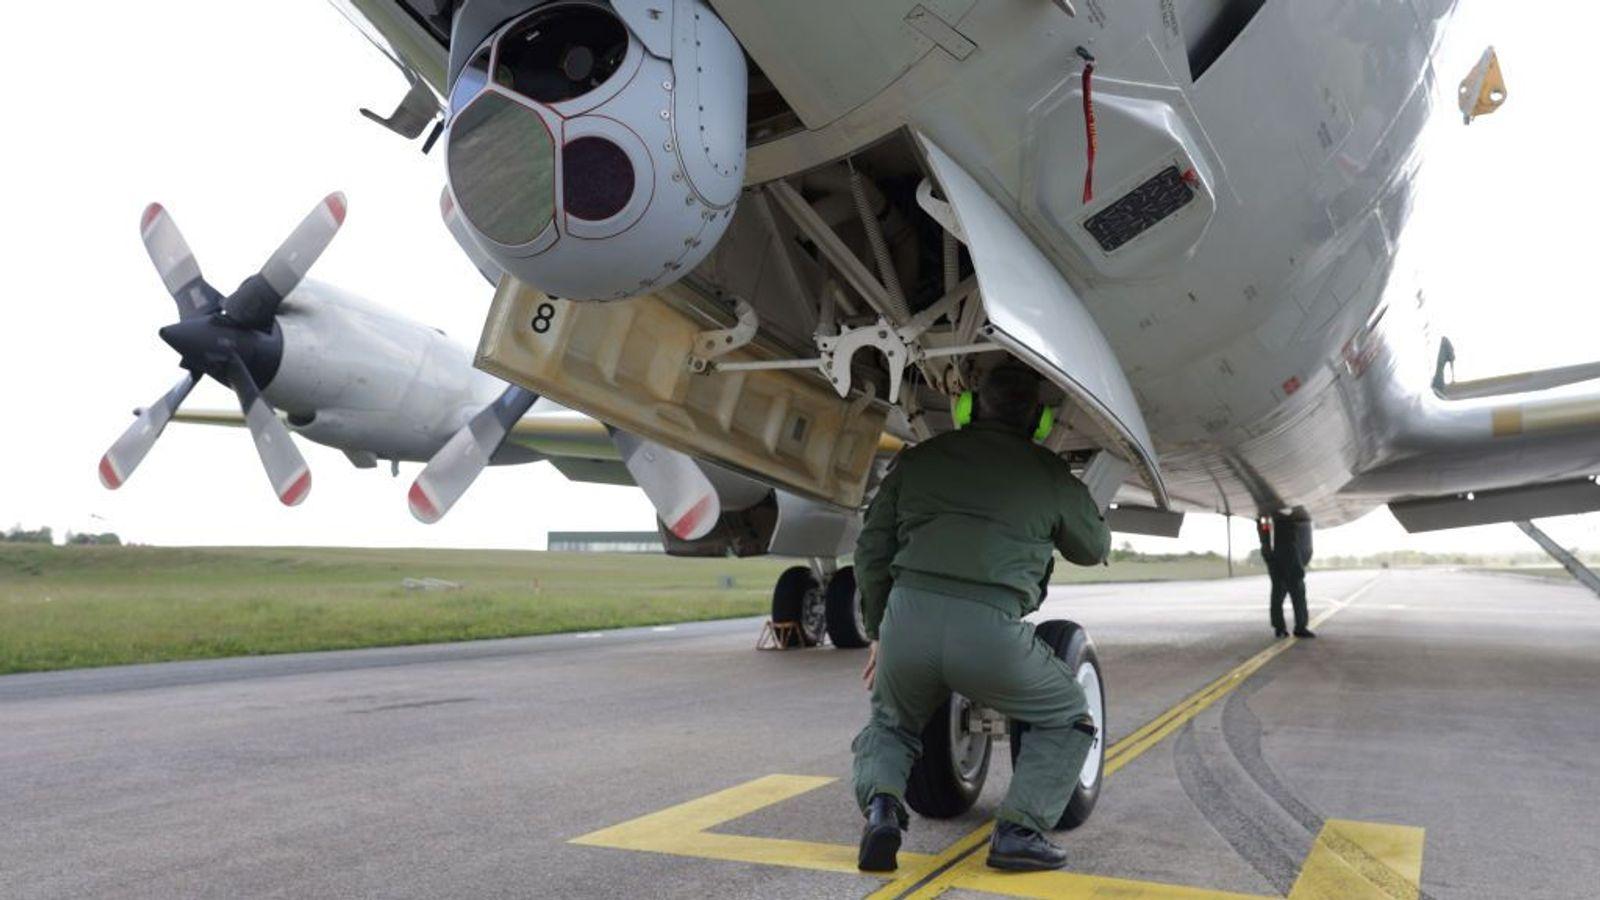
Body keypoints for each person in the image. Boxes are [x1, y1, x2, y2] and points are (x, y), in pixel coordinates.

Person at [849, 361, 1111, 873]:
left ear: (967, 408)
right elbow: (1092, 546)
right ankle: (1018, 831)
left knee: (891, 723)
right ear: (1038, 420)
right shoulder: (1046, 472)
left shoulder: (920, 460)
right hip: (990, 631)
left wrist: (881, 632)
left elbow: (870, 551)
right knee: (1068, 715)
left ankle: (882, 811)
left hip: (907, 618)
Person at [1258, 511, 1314, 638]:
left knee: (1277, 591)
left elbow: (1263, 527)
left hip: (1270, 551)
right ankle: (1300, 627)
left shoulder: (1265, 520)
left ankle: (1279, 628)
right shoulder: (1288, 519)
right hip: (1287, 550)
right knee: (1297, 591)